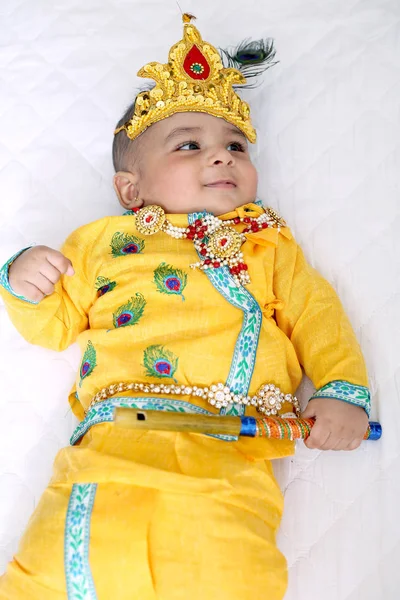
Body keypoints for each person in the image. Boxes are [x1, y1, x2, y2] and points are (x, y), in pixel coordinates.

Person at [0, 13, 370, 600]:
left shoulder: (269, 245)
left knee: (234, 574)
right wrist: (26, 284)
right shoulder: (100, 243)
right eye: (190, 145)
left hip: (233, 452)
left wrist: (341, 389)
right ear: (131, 189)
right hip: (115, 444)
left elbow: (318, 316)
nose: (222, 157)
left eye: (235, 146)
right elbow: (54, 325)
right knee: (56, 572)